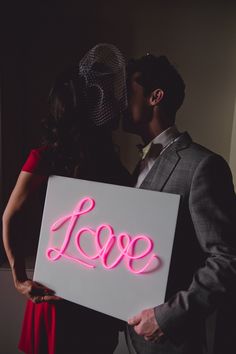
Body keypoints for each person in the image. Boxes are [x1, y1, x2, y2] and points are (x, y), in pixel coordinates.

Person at [2, 44, 131, 354]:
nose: (112, 103)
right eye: (103, 98)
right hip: (57, 296)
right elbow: (10, 216)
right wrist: (19, 279)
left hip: (98, 298)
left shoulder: (111, 164)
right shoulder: (45, 158)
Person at [124, 54, 236, 354]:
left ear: (154, 97)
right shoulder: (138, 165)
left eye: (128, 92)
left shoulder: (203, 166)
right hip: (130, 338)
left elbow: (228, 259)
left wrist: (167, 317)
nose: (121, 101)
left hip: (173, 341)